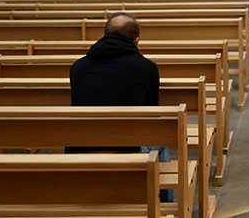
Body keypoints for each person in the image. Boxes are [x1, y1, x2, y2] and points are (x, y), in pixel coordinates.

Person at [68, 13, 172, 201]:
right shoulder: (147, 68)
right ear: (137, 41)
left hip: (80, 146)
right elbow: (151, 113)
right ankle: (163, 204)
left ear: (104, 35)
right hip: (126, 148)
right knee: (161, 139)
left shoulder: (78, 67)